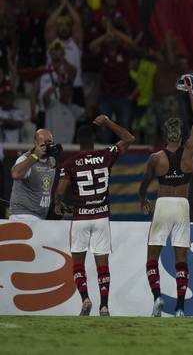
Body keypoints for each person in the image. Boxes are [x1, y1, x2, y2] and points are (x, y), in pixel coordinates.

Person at [54, 116, 136, 316]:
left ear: (78, 140)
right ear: (94, 138)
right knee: (103, 265)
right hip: (101, 218)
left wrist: (59, 204)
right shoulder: (105, 155)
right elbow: (129, 138)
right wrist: (108, 122)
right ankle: (104, 306)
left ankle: (85, 300)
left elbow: (60, 191)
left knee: (78, 264)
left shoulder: (69, 163)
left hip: (80, 218)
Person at [138, 80, 193, 317]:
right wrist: (190, 93)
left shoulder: (156, 158)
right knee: (181, 260)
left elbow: (144, 185)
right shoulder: (190, 151)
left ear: (165, 135)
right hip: (182, 206)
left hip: (163, 205)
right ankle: (180, 308)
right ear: (181, 134)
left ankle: (157, 298)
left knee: (151, 258)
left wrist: (143, 199)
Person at [9, 129, 60, 221]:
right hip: (23, 215)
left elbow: (45, 188)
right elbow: (15, 174)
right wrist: (35, 156)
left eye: (50, 142)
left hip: (40, 216)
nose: (48, 146)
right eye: (44, 143)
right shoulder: (25, 158)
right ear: (35, 143)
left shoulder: (52, 161)